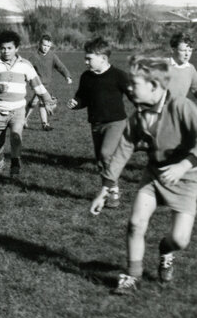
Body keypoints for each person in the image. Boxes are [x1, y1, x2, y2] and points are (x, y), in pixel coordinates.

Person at [91, 55, 197, 295]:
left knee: (180, 240)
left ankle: (165, 250)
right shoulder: (138, 117)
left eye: (134, 84)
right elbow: (122, 151)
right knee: (135, 224)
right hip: (154, 176)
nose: (129, 88)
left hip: (188, 179)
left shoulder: (182, 107)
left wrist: (183, 165)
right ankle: (132, 277)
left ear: (154, 87)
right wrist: (105, 188)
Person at [67, 37, 132, 207]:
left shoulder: (119, 76)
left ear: (103, 58)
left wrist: (144, 108)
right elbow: (83, 97)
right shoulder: (86, 77)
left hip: (116, 123)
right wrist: (76, 103)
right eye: (85, 57)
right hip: (96, 124)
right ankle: (113, 190)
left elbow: (134, 95)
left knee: (106, 154)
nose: (85, 61)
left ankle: (112, 190)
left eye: (89, 58)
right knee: (100, 160)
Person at [0, 30, 55, 179]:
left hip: (18, 110)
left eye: (9, 48)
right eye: (3, 48)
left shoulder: (25, 65)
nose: (6, 51)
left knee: (16, 137)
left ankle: (15, 163)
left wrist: (47, 100)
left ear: (16, 48)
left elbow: (37, 85)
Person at [25, 34, 73, 130]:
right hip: (37, 84)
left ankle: (23, 119)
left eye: (48, 46)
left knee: (35, 102)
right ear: (39, 44)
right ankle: (45, 124)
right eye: (44, 45)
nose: (46, 48)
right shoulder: (34, 57)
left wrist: (67, 76)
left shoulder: (52, 56)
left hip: (47, 85)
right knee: (43, 102)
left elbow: (60, 66)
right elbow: (26, 68)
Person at [167, 32, 197, 103]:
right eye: (183, 50)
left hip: (179, 110)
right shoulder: (163, 66)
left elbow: (195, 89)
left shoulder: (190, 69)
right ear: (173, 50)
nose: (187, 54)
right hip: (163, 111)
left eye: (190, 51)